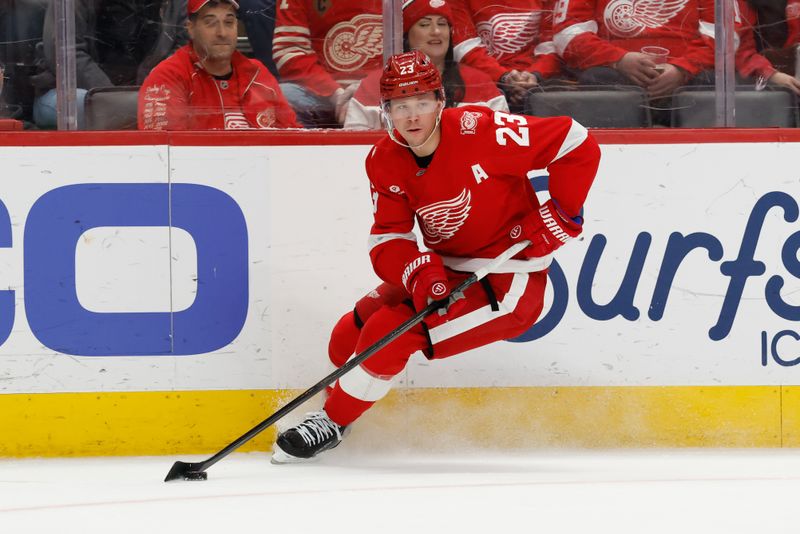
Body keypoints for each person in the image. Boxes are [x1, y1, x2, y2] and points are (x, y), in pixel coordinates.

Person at [271, 50, 601, 463]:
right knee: (347, 334)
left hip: (509, 281)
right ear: (386, 110)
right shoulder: (383, 159)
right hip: (448, 268)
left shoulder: (482, 129)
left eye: (422, 103)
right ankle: (343, 408)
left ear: (441, 102)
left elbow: (575, 140)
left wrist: (563, 214)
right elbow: (387, 238)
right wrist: (417, 271)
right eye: (401, 106)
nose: (412, 116)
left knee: (389, 330)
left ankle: (333, 423)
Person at [344, 0, 507, 130]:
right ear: (407, 35)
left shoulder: (480, 83)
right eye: (424, 24)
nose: (436, 31)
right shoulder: (374, 85)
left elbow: (501, 139)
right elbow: (352, 148)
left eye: (442, 24)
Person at [138, 0, 299, 130]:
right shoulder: (166, 77)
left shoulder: (258, 73)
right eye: (210, 23)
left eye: (229, 22)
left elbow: (292, 136)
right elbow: (165, 154)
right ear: (190, 28)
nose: (222, 33)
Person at [32, 0, 188, 129]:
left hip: (146, 93)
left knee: (192, 105)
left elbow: (183, 47)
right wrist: (113, 97)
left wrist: (152, 87)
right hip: (75, 92)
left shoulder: (175, 4)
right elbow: (64, 52)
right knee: (81, 104)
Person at [551, 0, 718, 99]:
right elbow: (566, 33)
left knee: (713, 81)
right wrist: (618, 59)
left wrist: (683, 69)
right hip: (615, 76)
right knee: (598, 78)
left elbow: (726, 34)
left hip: (685, 81)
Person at [271, 0, 383, 127]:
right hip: (321, 97)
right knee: (284, 96)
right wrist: (336, 95)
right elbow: (290, 51)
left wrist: (369, 89)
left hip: (381, 94)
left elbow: (408, 53)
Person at [450, 0, 563, 111]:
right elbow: (464, 47)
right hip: (484, 86)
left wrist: (535, 75)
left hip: (539, 85)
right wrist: (503, 78)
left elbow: (552, 47)